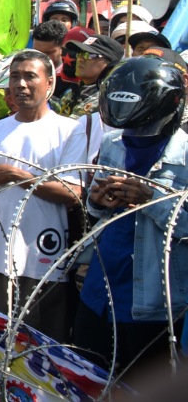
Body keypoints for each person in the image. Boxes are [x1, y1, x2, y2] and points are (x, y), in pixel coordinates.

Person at [0, 50, 86, 342]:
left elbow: (72, 192)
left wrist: (20, 177)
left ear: (49, 83)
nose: (21, 84)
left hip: (44, 261)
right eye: (15, 77)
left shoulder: (69, 131)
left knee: (40, 345)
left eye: (30, 76)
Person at [76, 55, 188, 375]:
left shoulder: (185, 156)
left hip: (152, 303)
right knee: (90, 381)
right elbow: (97, 211)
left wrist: (152, 199)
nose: (135, 132)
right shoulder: (113, 143)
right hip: (99, 292)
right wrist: (97, 201)